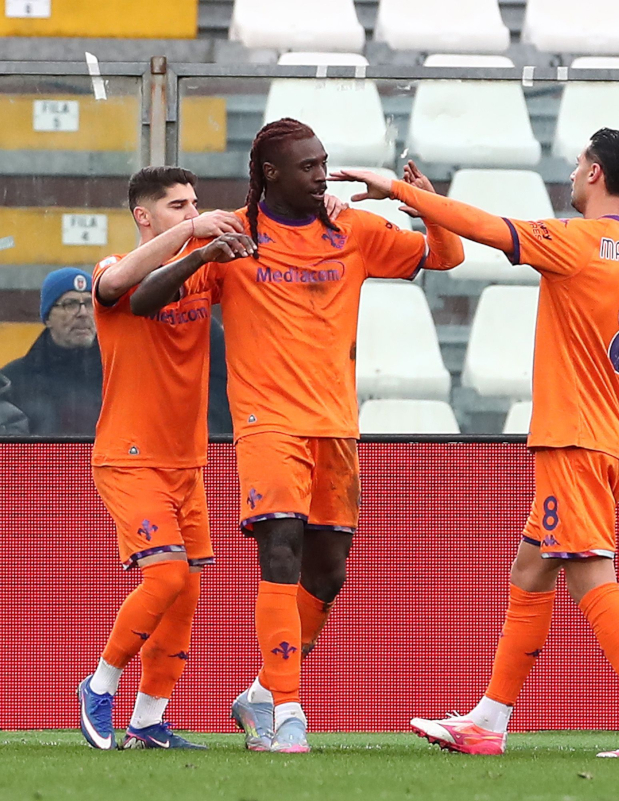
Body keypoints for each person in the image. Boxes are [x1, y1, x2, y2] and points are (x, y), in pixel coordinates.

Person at [336, 127, 619, 759]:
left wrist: (399, 191)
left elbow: (483, 227)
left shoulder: (575, 242)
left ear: (594, 174)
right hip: (611, 440)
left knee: (590, 576)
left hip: (573, 439)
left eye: (580, 160)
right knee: (531, 570)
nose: (571, 168)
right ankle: (489, 721)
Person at [134, 118, 464, 754]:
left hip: (335, 425)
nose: (322, 175)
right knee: (278, 551)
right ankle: (288, 715)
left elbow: (444, 256)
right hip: (266, 423)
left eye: (323, 163)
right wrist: (199, 251)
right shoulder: (233, 234)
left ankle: (259, 692)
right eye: (308, 166)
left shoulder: (354, 230)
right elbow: (146, 300)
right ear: (269, 174)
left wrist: (421, 201)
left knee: (328, 572)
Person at [77, 165, 253, 750]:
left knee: (188, 590)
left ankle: (148, 720)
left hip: (187, 460)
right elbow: (123, 285)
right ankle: (99, 687)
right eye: (178, 206)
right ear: (144, 217)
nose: (190, 212)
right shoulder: (110, 271)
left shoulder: (199, 275)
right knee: (167, 574)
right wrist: (195, 235)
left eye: (194, 203)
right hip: (129, 456)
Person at [1, 267, 103, 434]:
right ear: (47, 317)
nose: (83, 313)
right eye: (70, 304)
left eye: (90, 304)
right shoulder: (13, 381)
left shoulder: (117, 378)